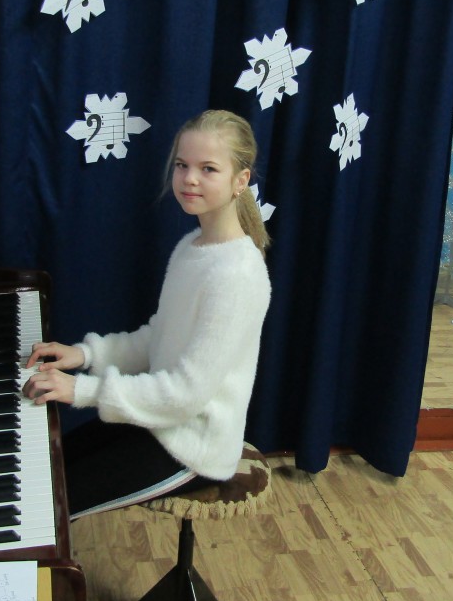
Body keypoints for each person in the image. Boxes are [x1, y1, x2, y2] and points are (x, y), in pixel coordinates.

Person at [23, 109, 272, 521]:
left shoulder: (238, 275)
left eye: (208, 169)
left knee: (45, 508)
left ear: (240, 180)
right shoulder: (192, 247)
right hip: (159, 417)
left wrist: (81, 390)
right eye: (182, 165)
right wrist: (85, 355)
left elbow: (187, 393)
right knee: (45, 466)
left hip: (192, 448)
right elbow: (157, 337)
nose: (189, 179)